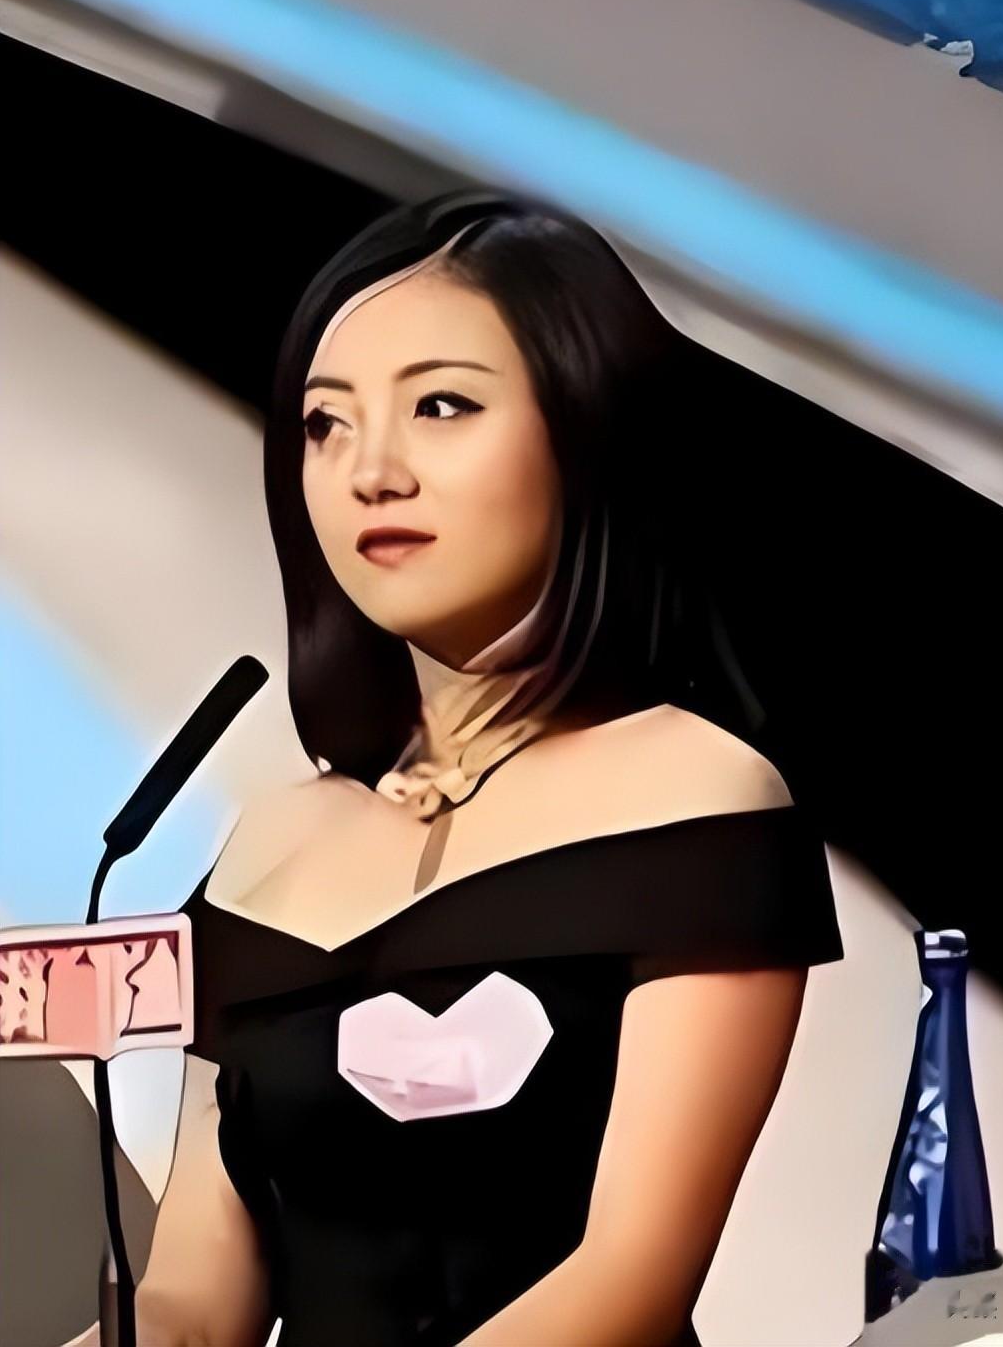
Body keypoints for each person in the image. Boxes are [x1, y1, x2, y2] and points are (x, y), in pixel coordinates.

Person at [131, 186, 845, 1347]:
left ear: (586, 430)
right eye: (326, 424)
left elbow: (627, 1281)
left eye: (442, 406)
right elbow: (195, 1298)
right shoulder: (270, 836)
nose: (371, 471)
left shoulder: (700, 795)